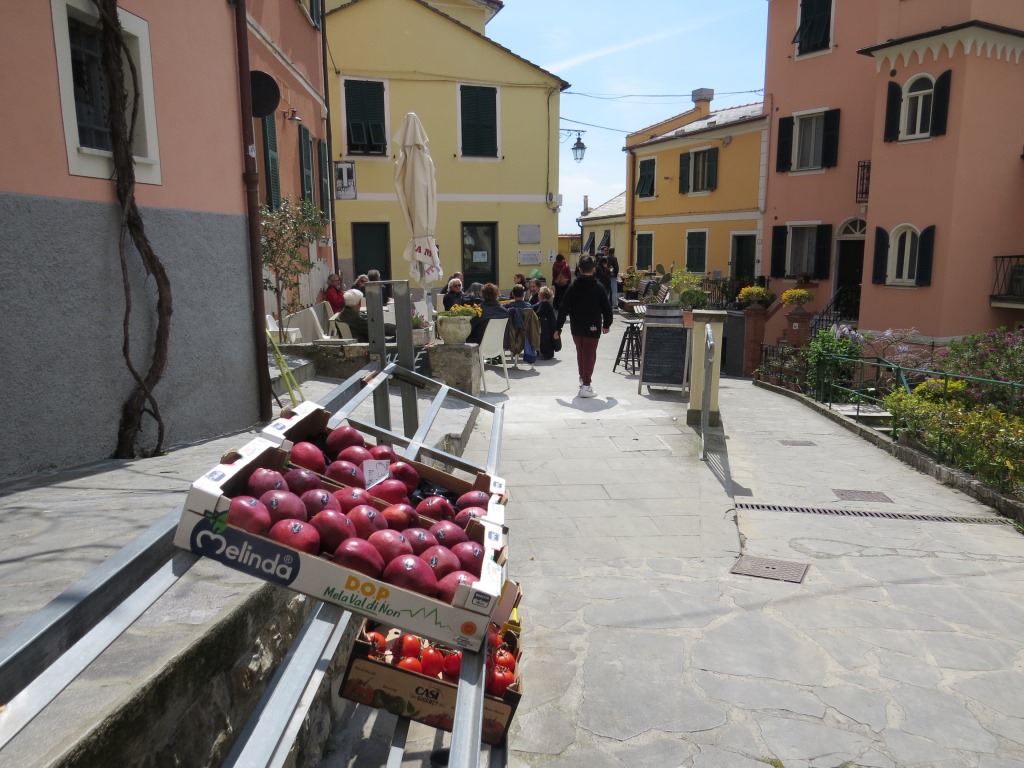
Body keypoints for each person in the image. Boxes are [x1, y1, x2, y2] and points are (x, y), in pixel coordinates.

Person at [555, 255, 613, 398]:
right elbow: (607, 308)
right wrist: (607, 323)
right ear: (594, 269)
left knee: (581, 353)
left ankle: (583, 379)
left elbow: (563, 308)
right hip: (592, 326)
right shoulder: (598, 287)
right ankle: (586, 385)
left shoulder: (572, 287)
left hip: (576, 326)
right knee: (589, 355)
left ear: (579, 269)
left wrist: (558, 328)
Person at [532, 285, 558, 360]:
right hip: (550, 325)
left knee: (546, 339)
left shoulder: (544, 303)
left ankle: (546, 353)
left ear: (541, 295)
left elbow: (538, 313)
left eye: (539, 293)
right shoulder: (544, 303)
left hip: (547, 327)